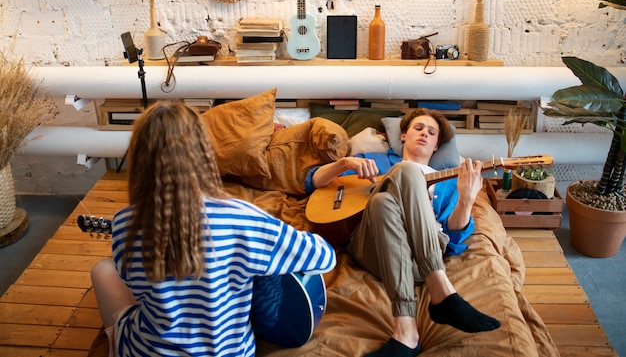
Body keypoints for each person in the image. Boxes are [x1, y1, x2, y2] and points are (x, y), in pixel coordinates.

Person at [90, 101, 336, 357]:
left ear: (139, 158)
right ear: (202, 153)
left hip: (147, 350)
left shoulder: (123, 224)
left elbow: (135, 287)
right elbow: (325, 257)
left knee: (102, 270)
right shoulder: (240, 218)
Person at [304, 108, 501, 357]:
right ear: (404, 136)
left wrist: (467, 199)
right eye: (418, 128)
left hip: (419, 262)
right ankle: (442, 293)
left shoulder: (451, 182)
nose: (424, 135)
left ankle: (406, 334)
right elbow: (313, 182)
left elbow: (455, 241)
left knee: (381, 203)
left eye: (431, 133)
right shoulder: (375, 161)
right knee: (405, 172)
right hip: (373, 249)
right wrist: (344, 163)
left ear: (436, 146)